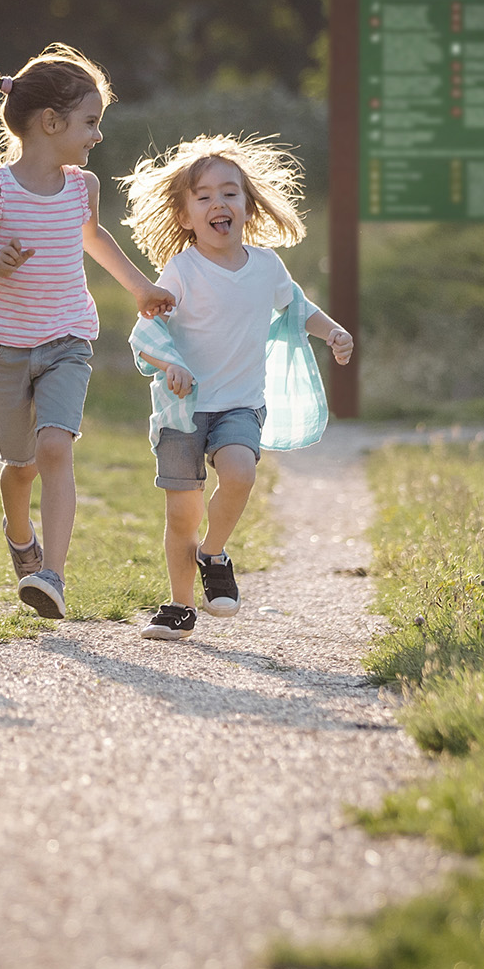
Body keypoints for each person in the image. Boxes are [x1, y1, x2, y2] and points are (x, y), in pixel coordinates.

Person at [0, 45, 174, 620]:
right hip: (5, 345)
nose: (96, 135)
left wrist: (140, 288)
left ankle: (52, 575)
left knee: (55, 448)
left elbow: (95, 240)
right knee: (21, 467)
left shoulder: (81, 187)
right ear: (50, 123)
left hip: (67, 338)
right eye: (91, 123)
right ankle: (21, 538)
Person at [118, 135, 353, 641]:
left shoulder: (267, 266)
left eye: (229, 193)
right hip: (182, 409)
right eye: (202, 196)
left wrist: (332, 331)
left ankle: (213, 553)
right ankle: (180, 607)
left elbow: (298, 309)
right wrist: (171, 363)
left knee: (241, 474)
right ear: (184, 216)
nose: (217, 204)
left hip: (240, 404)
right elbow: (147, 332)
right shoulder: (182, 270)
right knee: (182, 513)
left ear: (248, 205)